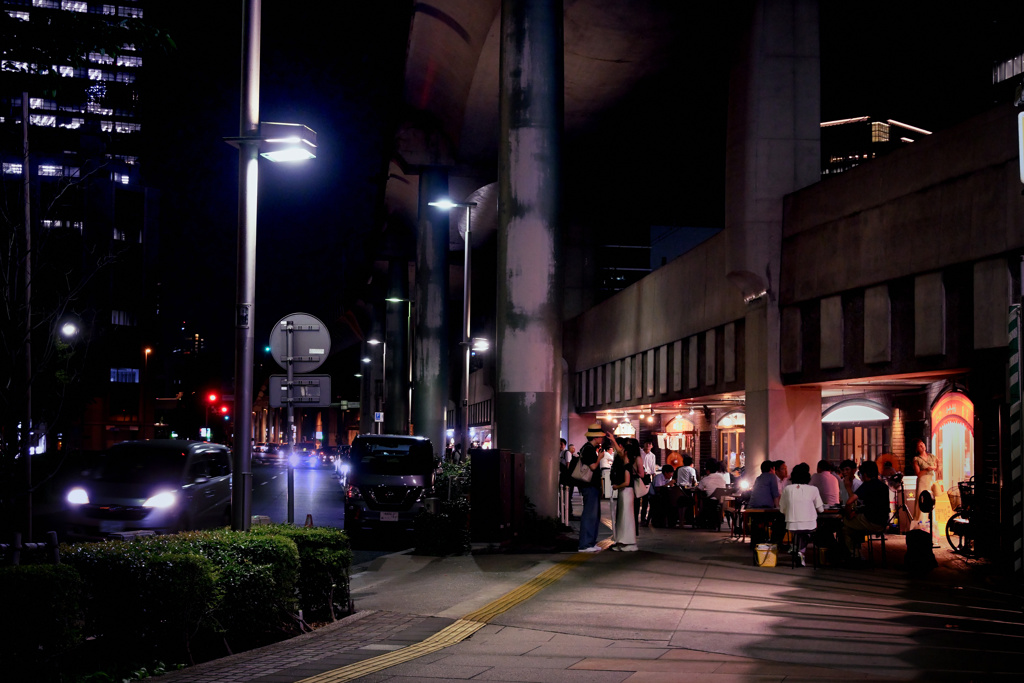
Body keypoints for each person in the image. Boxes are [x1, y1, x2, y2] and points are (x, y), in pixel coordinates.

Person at [841, 460, 890, 561]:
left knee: (845, 525)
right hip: (883, 522)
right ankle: (858, 553)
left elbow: (850, 501)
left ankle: (854, 554)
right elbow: (875, 505)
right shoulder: (884, 486)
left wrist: (847, 488)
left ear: (865, 474)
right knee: (855, 525)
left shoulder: (867, 485)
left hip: (871, 521)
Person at [779, 463, 824, 566]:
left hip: (791, 525)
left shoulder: (787, 489)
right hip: (810, 524)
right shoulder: (814, 489)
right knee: (807, 532)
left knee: (799, 531)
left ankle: (795, 547)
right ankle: (800, 552)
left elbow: (782, 510)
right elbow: (821, 509)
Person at [576, 423, 605, 552]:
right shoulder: (588, 449)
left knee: (594, 514)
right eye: (600, 436)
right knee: (590, 514)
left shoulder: (589, 448)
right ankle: (585, 544)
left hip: (591, 486)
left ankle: (591, 542)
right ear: (596, 437)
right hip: (589, 485)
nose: (602, 439)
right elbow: (592, 467)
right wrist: (599, 458)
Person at [608, 434, 639, 551]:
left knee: (625, 517)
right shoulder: (628, 463)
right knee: (624, 516)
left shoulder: (627, 466)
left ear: (626, 453)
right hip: (626, 493)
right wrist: (613, 441)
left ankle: (626, 542)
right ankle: (624, 542)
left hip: (625, 492)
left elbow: (626, 482)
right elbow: (620, 451)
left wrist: (616, 486)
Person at [913, 438, 938, 523]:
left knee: (931, 500)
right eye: (919, 446)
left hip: (931, 480)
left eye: (923, 444)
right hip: (922, 481)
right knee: (922, 499)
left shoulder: (932, 456)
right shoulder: (917, 459)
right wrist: (927, 469)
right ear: (917, 449)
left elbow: (937, 468)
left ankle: (931, 521)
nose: (922, 446)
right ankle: (920, 521)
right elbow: (918, 474)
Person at [638, 440, 657, 527]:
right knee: (637, 497)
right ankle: (635, 517)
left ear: (652, 446)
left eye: (650, 443)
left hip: (647, 477)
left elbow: (652, 468)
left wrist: (653, 478)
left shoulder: (652, 456)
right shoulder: (640, 452)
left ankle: (643, 518)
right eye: (647, 443)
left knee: (646, 498)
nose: (648, 445)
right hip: (639, 476)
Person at [558, 438, 577, 519]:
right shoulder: (561, 453)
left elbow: (568, 465)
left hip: (567, 478)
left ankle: (569, 513)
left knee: (567, 495)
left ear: (562, 444)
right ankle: (565, 512)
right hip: (564, 477)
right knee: (564, 495)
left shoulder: (566, 453)